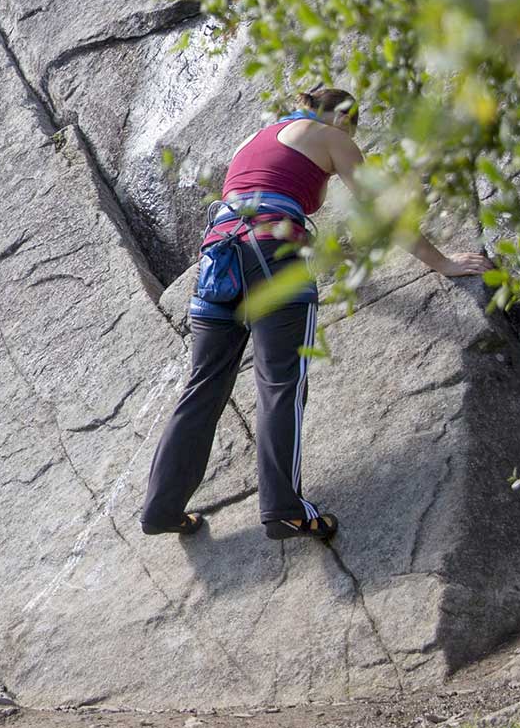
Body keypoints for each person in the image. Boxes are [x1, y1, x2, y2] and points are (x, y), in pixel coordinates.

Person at [140, 86, 492, 543]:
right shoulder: (331, 136)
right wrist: (441, 262)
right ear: (343, 118)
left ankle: (161, 509)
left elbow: (267, 194)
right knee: (280, 382)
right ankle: (285, 509)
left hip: (217, 260)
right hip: (272, 257)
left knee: (204, 384)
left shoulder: (256, 138)